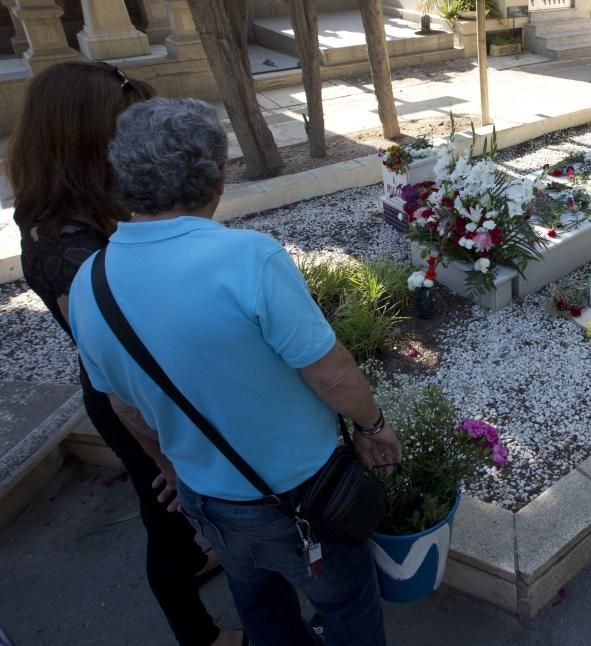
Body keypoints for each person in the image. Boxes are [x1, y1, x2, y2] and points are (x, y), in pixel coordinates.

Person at [68, 97, 402, 646]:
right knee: (347, 609)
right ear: (217, 175)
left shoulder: (90, 281)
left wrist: (168, 467)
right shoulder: (249, 259)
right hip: (301, 498)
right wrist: (371, 426)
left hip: (207, 499)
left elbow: (121, 404)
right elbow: (332, 375)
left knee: (261, 610)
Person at [7, 62, 240, 646]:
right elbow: (114, 365)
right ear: (85, 141)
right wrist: (160, 454)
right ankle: (199, 635)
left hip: (146, 382)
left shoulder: (77, 210)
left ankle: (193, 560)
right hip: (130, 398)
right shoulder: (65, 250)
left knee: (176, 511)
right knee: (164, 508)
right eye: (122, 133)